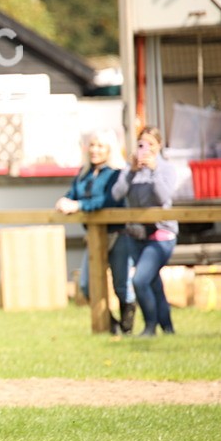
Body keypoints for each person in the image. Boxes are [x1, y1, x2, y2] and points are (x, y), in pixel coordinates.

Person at [55, 129, 135, 334]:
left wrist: (79, 205)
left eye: (100, 146)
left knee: (121, 284)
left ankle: (127, 328)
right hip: (93, 236)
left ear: (109, 149)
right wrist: (64, 201)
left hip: (117, 233)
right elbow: (72, 195)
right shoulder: (84, 173)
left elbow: (107, 201)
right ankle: (112, 325)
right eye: (92, 145)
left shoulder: (117, 173)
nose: (95, 150)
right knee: (86, 285)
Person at [111, 126, 177, 337]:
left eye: (151, 144)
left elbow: (163, 197)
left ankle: (150, 326)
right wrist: (131, 171)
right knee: (153, 283)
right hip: (136, 234)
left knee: (140, 280)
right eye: (142, 144)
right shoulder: (130, 169)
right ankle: (168, 329)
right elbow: (116, 195)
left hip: (161, 234)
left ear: (159, 145)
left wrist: (154, 170)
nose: (146, 148)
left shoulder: (166, 168)